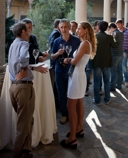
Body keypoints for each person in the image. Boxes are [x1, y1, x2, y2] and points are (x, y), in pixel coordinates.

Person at [8, 22, 48, 158]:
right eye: (28, 30)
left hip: (13, 87)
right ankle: (16, 154)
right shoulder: (24, 44)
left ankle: (26, 150)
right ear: (23, 32)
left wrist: (29, 68)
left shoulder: (13, 44)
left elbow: (13, 64)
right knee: (23, 125)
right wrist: (27, 68)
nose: (30, 32)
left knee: (28, 120)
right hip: (24, 88)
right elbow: (23, 60)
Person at [60, 22, 97, 149]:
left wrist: (68, 60)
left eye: (80, 29)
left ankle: (72, 139)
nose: (77, 31)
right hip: (79, 75)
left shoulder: (85, 43)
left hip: (77, 76)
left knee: (70, 106)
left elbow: (75, 61)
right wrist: (71, 60)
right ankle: (79, 129)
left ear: (86, 30)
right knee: (79, 102)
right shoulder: (87, 43)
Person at [51, 18, 80, 124]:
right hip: (60, 71)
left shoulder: (76, 41)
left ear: (69, 27)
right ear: (59, 28)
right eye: (61, 27)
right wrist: (58, 53)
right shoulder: (56, 41)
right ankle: (64, 114)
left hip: (73, 71)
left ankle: (73, 113)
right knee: (61, 94)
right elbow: (52, 57)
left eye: (65, 27)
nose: (63, 29)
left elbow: (80, 57)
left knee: (73, 94)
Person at [92, 21, 118, 105]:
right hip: (106, 62)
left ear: (98, 27)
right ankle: (107, 99)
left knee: (96, 81)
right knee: (107, 81)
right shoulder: (109, 37)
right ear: (107, 28)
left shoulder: (94, 36)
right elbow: (115, 45)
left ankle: (97, 100)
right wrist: (114, 37)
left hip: (96, 62)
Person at [116, 19, 128, 88]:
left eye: (119, 24)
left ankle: (126, 81)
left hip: (124, 50)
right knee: (118, 67)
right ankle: (120, 80)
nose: (118, 26)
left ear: (122, 24)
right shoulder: (116, 31)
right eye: (117, 24)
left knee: (124, 66)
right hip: (118, 51)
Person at [108, 23, 124, 90]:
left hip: (114, 54)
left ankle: (112, 86)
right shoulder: (121, 33)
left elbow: (111, 44)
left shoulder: (113, 34)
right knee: (119, 70)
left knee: (113, 71)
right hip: (120, 54)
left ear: (111, 27)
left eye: (109, 28)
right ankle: (119, 85)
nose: (109, 30)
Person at [48, 19, 61, 88]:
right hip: (55, 59)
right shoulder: (57, 33)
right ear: (58, 26)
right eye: (61, 26)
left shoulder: (53, 33)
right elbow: (53, 45)